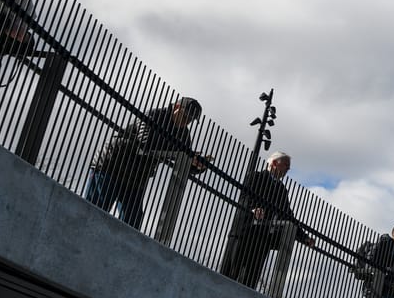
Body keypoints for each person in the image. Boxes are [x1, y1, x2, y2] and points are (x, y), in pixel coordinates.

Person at [83, 96, 208, 230]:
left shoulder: (183, 135)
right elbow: (146, 141)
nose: (186, 122)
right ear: (177, 107)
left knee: (132, 221)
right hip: (111, 166)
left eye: (190, 120)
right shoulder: (154, 115)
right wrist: (179, 150)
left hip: (137, 178)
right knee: (93, 210)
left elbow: (185, 160)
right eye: (185, 117)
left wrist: (197, 165)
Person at [220, 152, 313, 287]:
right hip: (244, 233)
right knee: (228, 276)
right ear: (274, 163)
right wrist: (253, 209)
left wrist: (303, 237)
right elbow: (244, 197)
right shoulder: (255, 176)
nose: (288, 169)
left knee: (249, 283)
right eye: (286, 165)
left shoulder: (281, 189)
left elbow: (288, 215)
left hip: (262, 240)